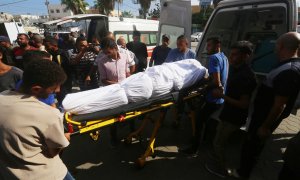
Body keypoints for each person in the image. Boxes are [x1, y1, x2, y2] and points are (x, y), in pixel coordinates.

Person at [229, 32, 300, 179]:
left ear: (280, 46)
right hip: (263, 114)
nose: (274, 47)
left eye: (276, 44)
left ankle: (243, 173)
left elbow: (279, 105)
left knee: (252, 146)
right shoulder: (287, 65)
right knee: (252, 145)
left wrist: (265, 126)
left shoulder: (289, 70)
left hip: (264, 118)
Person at [0, 59, 74, 180]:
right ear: (36, 89)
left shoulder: (2, 96)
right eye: (54, 88)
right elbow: (53, 152)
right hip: (46, 175)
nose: (58, 90)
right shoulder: (48, 114)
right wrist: (65, 138)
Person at [204, 41, 257, 178]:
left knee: (218, 143)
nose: (231, 58)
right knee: (218, 137)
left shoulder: (246, 76)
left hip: (233, 117)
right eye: (231, 54)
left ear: (245, 56)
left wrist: (221, 95)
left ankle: (222, 170)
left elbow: (244, 104)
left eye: (235, 55)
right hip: (228, 113)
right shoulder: (236, 69)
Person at [180, 37, 229, 154]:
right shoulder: (224, 57)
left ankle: (194, 148)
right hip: (220, 99)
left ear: (217, 46)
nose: (207, 48)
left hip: (212, 98)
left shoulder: (213, 58)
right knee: (208, 121)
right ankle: (206, 141)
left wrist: (203, 88)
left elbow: (216, 82)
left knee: (198, 121)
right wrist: (206, 80)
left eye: (209, 46)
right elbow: (219, 78)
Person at [44, 37, 72, 107]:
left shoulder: (62, 54)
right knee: (60, 98)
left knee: (64, 98)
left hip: (64, 81)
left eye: (47, 46)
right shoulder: (51, 55)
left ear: (55, 46)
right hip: (57, 81)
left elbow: (66, 68)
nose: (46, 49)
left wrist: (59, 84)